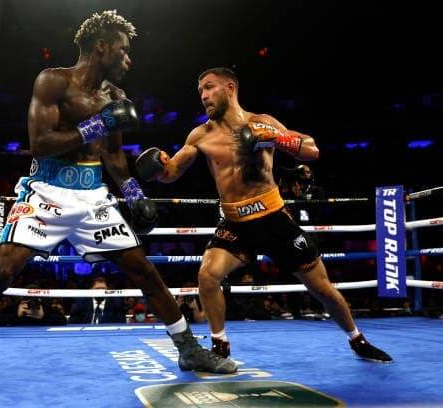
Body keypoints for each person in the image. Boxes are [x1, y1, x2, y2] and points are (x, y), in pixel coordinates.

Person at [0, 11, 236, 403]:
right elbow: (41, 143)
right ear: (102, 47)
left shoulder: (116, 97)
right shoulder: (53, 81)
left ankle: (187, 348)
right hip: (47, 190)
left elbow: (113, 156)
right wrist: (97, 124)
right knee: (1, 272)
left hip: (93, 195)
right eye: (123, 50)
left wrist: (133, 193)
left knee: (144, 270)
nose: (128, 59)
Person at [135, 67, 392, 363]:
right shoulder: (201, 135)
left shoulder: (262, 122)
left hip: (274, 219)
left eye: (209, 87)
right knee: (207, 275)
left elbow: (312, 150)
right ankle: (220, 346)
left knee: (321, 288)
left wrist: (276, 138)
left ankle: (357, 339)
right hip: (235, 223)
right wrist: (157, 166)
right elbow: (171, 172)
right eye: (200, 91)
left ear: (230, 88)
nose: (203, 96)